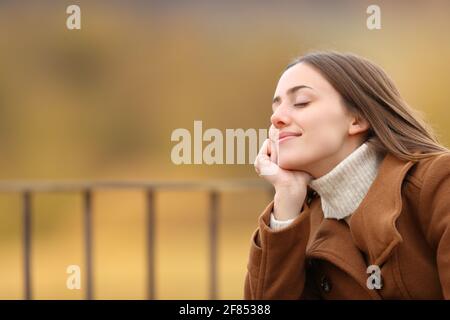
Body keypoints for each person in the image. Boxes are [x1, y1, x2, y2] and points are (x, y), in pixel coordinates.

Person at [246, 51, 450, 299]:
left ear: (357, 118)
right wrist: (287, 197)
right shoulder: (302, 222)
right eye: (275, 108)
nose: (276, 118)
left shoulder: (438, 183)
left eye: (301, 102)